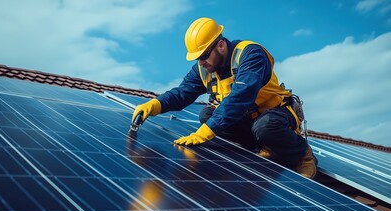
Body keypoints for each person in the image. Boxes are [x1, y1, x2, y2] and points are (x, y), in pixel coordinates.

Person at [131, 17, 317, 179]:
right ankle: (262, 147)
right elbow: (182, 93)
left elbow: (240, 96)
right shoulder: (204, 69)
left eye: (203, 56)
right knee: (206, 115)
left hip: (276, 114)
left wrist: (207, 131)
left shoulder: (250, 55)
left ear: (220, 45)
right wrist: (155, 105)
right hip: (246, 119)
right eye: (197, 58)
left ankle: (303, 155)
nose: (201, 62)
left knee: (263, 126)